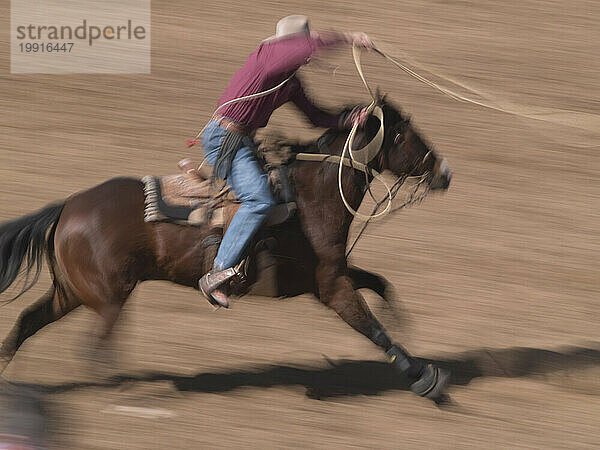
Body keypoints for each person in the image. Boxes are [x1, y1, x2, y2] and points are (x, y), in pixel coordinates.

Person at [199, 15, 373, 308]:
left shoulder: (289, 83)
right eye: (301, 47)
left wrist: (347, 119)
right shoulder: (267, 58)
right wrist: (350, 37)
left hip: (243, 141)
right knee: (259, 199)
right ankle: (217, 272)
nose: (304, 56)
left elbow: (314, 117)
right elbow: (309, 46)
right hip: (223, 138)